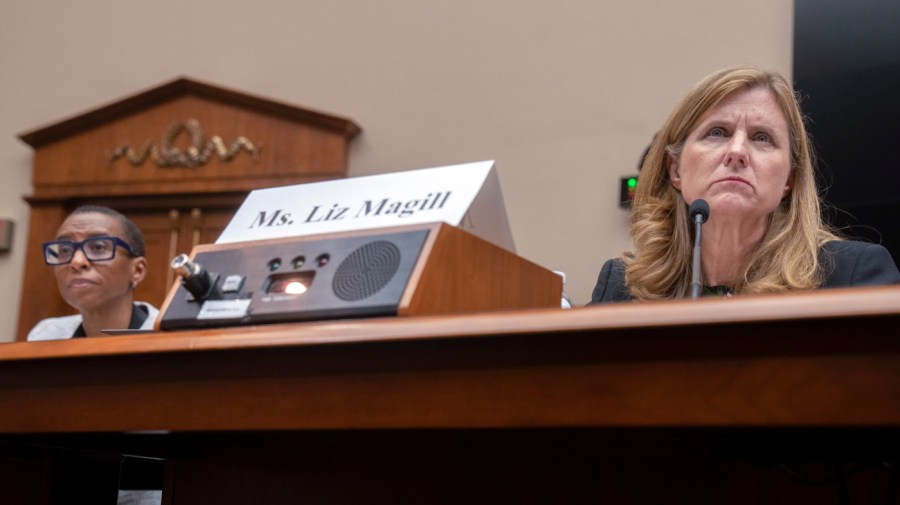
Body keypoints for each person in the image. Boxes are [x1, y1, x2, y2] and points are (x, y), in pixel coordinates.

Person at [591, 66, 900, 303]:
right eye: (717, 132)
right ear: (676, 171)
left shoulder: (852, 276)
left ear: (789, 181)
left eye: (762, 138)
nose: (737, 152)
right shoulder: (621, 287)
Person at [27, 205, 159, 340]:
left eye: (98, 247)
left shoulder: (170, 336)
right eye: (65, 250)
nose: (76, 262)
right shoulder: (46, 335)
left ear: (137, 270)